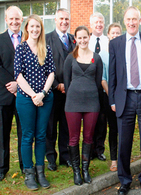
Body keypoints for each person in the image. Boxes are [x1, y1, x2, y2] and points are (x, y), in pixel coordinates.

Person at [108, 6, 141, 195]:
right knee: (124, 141)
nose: (131, 22)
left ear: (140, 21)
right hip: (125, 98)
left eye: (135, 19)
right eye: (128, 19)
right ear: (124, 21)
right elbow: (112, 74)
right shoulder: (116, 43)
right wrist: (113, 100)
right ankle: (124, 180)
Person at [14, 14, 55, 190]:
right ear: (27, 28)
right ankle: (29, 173)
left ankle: (40, 172)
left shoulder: (46, 47)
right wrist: (33, 95)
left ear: (41, 29)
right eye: (32, 26)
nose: (35, 30)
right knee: (27, 136)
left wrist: (43, 93)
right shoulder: (21, 49)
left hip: (45, 98)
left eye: (38, 27)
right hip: (26, 98)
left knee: (40, 136)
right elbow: (18, 75)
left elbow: (51, 73)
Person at [64, 26, 103, 186]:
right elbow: (67, 83)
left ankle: (85, 169)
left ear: (89, 37)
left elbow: (98, 81)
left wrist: (90, 93)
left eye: (85, 37)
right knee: (74, 138)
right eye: (79, 38)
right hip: (73, 102)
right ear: (75, 39)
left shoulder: (96, 58)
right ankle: (76, 172)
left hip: (92, 102)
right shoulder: (70, 58)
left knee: (88, 137)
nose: (82, 40)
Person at [46, 8, 76, 171]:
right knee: (50, 126)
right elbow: (42, 65)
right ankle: (51, 158)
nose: (64, 21)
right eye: (61, 19)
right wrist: (57, 84)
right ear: (55, 20)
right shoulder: (47, 39)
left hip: (70, 92)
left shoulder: (73, 40)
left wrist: (69, 84)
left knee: (66, 126)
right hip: (52, 91)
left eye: (66, 19)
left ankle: (65, 157)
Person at [0, 5, 23, 181]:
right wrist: (12, 84)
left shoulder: (29, 39)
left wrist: (20, 85)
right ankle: (2, 167)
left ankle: (25, 166)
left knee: (25, 133)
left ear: (21, 20)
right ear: (6, 20)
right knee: (2, 134)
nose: (14, 22)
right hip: (4, 95)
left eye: (17, 19)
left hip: (25, 95)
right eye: (11, 19)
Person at [100, 23, 122, 172]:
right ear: (108, 35)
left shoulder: (125, 52)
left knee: (125, 129)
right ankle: (114, 159)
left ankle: (123, 158)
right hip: (110, 98)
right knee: (113, 129)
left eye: (118, 33)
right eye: (112, 33)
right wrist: (112, 97)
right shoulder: (102, 55)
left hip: (126, 98)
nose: (115, 35)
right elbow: (103, 79)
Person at [89, 12, 110, 161]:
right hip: (89, 87)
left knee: (102, 120)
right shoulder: (85, 40)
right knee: (90, 119)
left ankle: (99, 149)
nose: (99, 25)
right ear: (91, 24)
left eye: (101, 22)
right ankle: (89, 150)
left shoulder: (108, 41)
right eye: (96, 22)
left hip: (103, 88)